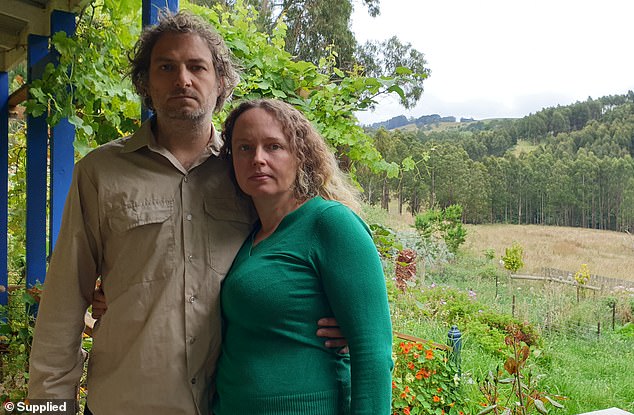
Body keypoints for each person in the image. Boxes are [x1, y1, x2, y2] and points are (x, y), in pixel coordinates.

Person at [28, 11, 345, 415]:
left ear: (221, 82)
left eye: (197, 67)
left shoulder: (248, 172)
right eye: (166, 67)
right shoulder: (99, 172)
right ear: (146, 83)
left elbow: (307, 250)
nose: (183, 80)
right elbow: (64, 298)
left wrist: (347, 321)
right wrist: (49, 406)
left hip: (229, 403)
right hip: (126, 403)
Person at [211, 99, 394, 414]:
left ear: (300, 156)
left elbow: (374, 354)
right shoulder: (248, 236)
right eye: (244, 148)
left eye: (274, 147)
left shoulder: (330, 223)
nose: (258, 159)